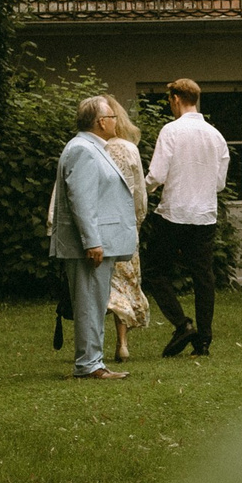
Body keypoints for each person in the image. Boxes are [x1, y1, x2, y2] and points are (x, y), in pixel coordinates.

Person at [49, 95, 137, 380]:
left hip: (99, 242)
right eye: (112, 117)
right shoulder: (82, 150)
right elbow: (82, 200)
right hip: (89, 246)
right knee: (89, 304)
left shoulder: (91, 148)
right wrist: (92, 242)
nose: (116, 122)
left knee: (95, 303)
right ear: (101, 122)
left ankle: (93, 362)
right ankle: (88, 365)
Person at [144, 76, 231, 356]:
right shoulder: (216, 136)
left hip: (174, 212)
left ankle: (182, 325)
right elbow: (219, 183)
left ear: (176, 100)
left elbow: (156, 174)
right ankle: (204, 340)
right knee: (203, 277)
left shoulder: (171, 131)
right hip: (204, 215)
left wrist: (140, 189)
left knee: (155, 271)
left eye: (170, 100)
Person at [101, 99, 151, 360]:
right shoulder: (129, 150)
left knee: (100, 285)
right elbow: (139, 193)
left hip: (98, 225)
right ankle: (122, 343)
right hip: (124, 227)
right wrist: (137, 221)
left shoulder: (93, 148)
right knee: (125, 283)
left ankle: (93, 343)